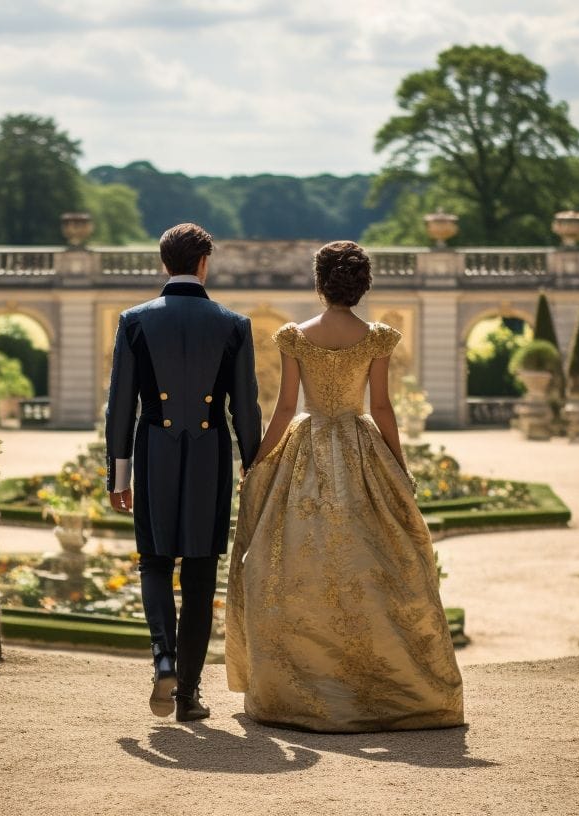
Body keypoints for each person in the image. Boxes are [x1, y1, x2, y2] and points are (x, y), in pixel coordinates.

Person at [226, 240, 464, 733]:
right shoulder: (377, 337)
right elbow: (381, 409)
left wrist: (256, 459)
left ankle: (305, 686)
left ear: (320, 283)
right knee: (373, 568)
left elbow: (286, 409)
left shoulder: (294, 336)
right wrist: (398, 465)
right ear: (363, 284)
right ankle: (377, 684)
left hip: (306, 449)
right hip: (360, 447)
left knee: (296, 569)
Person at [105, 223, 261, 722]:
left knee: (154, 562)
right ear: (203, 264)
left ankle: (164, 659)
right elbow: (247, 409)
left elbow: (120, 408)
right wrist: (252, 465)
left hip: (153, 450)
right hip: (210, 453)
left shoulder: (134, 321)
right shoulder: (234, 324)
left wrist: (119, 477)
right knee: (199, 573)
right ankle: (188, 696)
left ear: (163, 263)